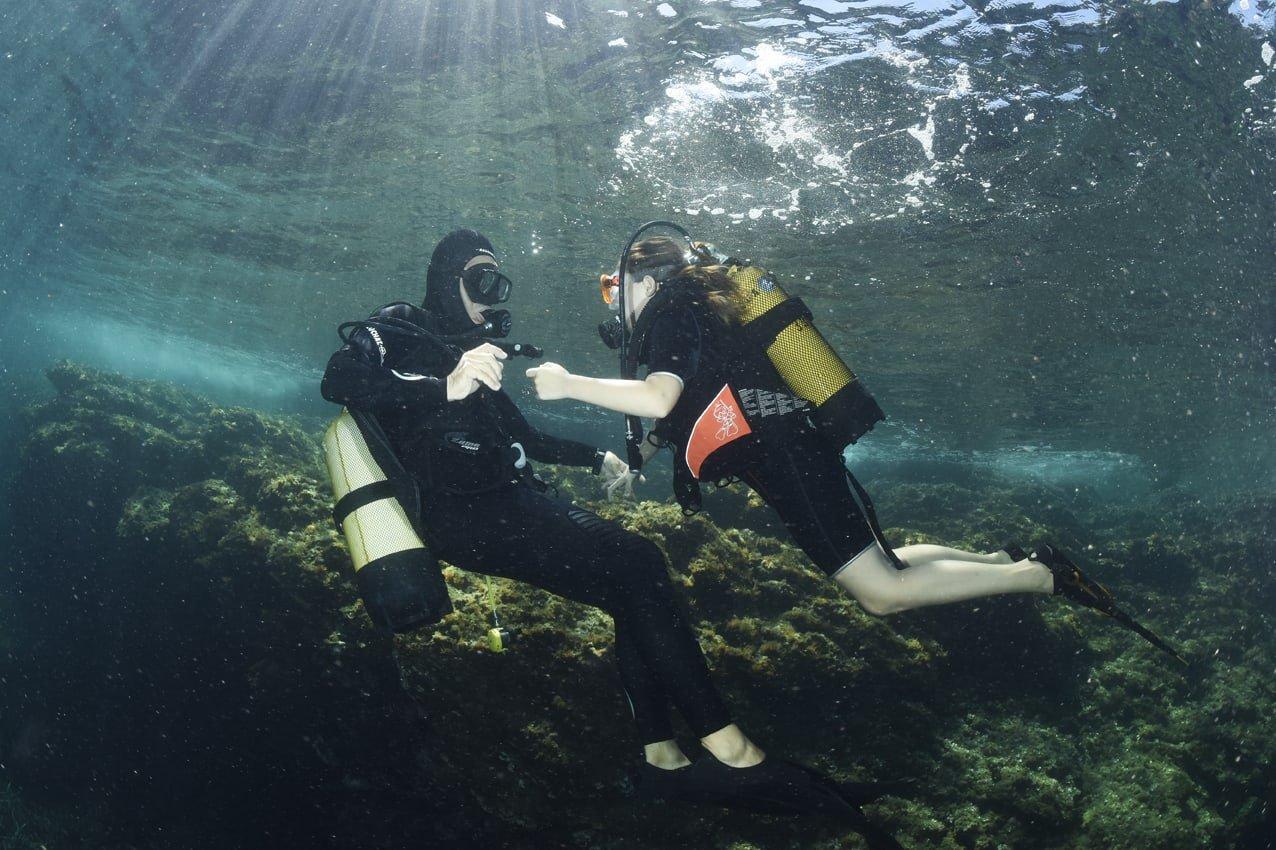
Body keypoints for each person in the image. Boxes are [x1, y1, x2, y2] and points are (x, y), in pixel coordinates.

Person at [320, 229, 908, 842]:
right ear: (447, 279)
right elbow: (339, 379)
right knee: (636, 564)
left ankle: (666, 763)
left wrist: (596, 459)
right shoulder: (402, 328)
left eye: (499, 283)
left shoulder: (473, 350)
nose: (491, 296)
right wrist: (445, 384)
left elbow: (524, 437)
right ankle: (732, 754)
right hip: (455, 515)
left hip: (504, 500)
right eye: (480, 280)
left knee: (630, 583)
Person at [525, 232, 1146, 627]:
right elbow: (695, 407)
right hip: (789, 451)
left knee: (881, 592)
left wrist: (568, 383)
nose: (613, 303)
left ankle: (1038, 576)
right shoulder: (692, 311)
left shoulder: (669, 309)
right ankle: (1006, 559)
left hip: (785, 459)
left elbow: (661, 398)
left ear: (644, 277)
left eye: (613, 287)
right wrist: (638, 460)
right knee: (887, 564)